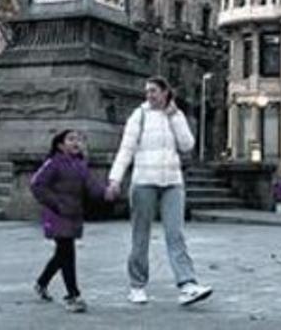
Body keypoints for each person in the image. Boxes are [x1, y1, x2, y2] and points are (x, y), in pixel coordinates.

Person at [106, 76, 213, 307]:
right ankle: (137, 286)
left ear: (165, 92)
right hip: (144, 181)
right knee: (140, 235)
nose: (149, 95)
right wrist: (115, 179)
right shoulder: (139, 115)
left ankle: (187, 285)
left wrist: (174, 117)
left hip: (173, 183)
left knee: (176, 234)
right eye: (147, 92)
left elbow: (187, 145)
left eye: (154, 91)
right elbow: (126, 149)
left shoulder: (177, 115)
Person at [29, 129, 109, 313]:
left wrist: (106, 192)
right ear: (60, 144)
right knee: (67, 254)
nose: (76, 142)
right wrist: (56, 204)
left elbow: (92, 185)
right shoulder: (53, 163)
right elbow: (37, 184)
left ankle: (41, 283)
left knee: (61, 255)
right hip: (57, 214)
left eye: (79, 139)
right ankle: (72, 295)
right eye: (71, 139)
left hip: (73, 214)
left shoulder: (80, 164)